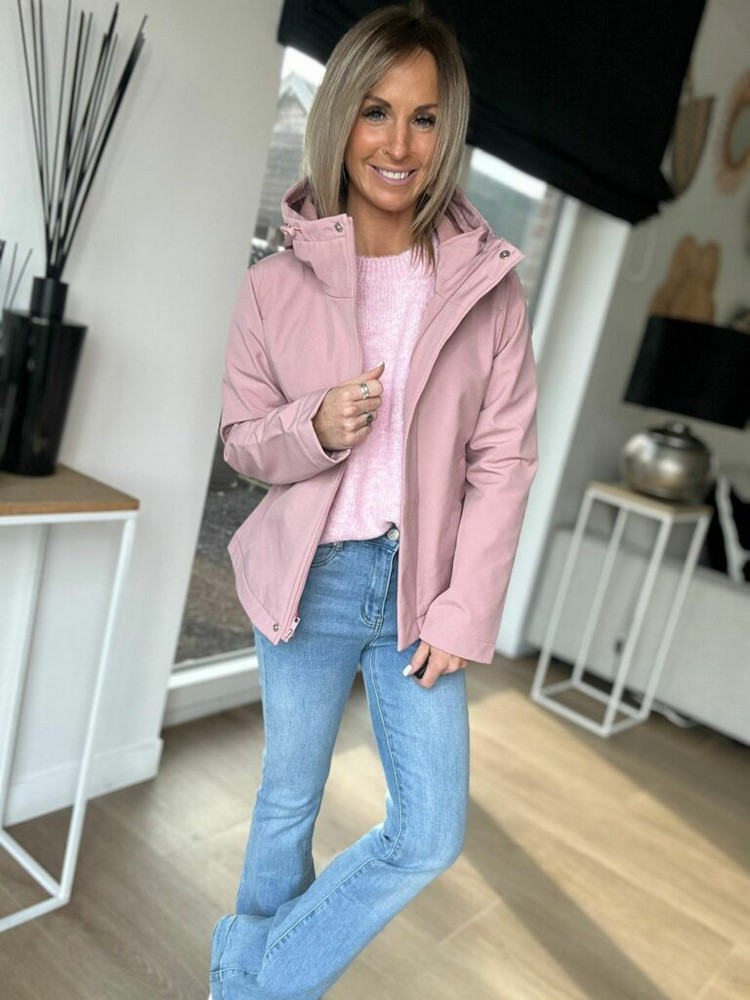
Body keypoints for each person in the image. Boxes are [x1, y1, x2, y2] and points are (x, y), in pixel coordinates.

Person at [210, 5, 538, 998]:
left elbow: (505, 460)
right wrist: (314, 424)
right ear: (341, 117)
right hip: (311, 580)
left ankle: (246, 978)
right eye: (377, 111)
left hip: (420, 593)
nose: (398, 144)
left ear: (448, 131)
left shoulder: (485, 287)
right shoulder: (275, 285)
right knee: (286, 807)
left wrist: (465, 609)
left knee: (429, 832)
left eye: (425, 118)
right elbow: (243, 439)